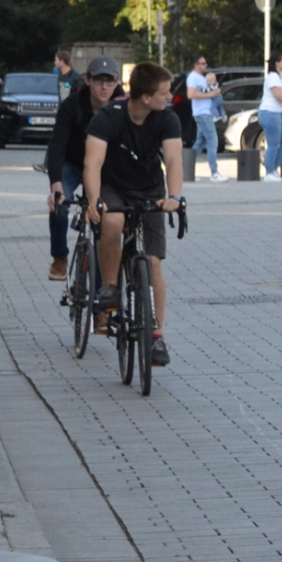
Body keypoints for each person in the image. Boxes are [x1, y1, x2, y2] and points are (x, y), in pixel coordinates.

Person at [85, 61, 185, 368]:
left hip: (150, 190)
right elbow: (93, 164)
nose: (169, 97)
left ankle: (156, 337)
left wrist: (175, 197)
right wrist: (93, 201)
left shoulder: (166, 119)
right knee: (112, 220)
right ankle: (111, 287)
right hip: (113, 187)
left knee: (153, 263)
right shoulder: (108, 118)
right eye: (164, 93)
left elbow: (174, 159)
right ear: (145, 97)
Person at [44, 57, 119, 278]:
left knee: (103, 218)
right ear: (87, 80)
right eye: (98, 80)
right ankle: (59, 257)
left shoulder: (121, 105)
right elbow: (57, 145)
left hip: (105, 168)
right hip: (74, 163)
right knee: (60, 203)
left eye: (109, 81)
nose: (104, 87)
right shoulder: (72, 105)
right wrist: (56, 183)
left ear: (116, 82)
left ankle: (100, 303)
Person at [184, 55, 224, 179]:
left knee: (200, 143)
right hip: (202, 113)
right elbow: (191, 94)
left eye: (206, 63)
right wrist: (211, 94)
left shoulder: (202, 78)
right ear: (196, 65)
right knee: (213, 140)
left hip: (205, 113)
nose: (205, 65)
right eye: (203, 63)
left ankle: (187, 171)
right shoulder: (193, 77)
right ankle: (214, 173)